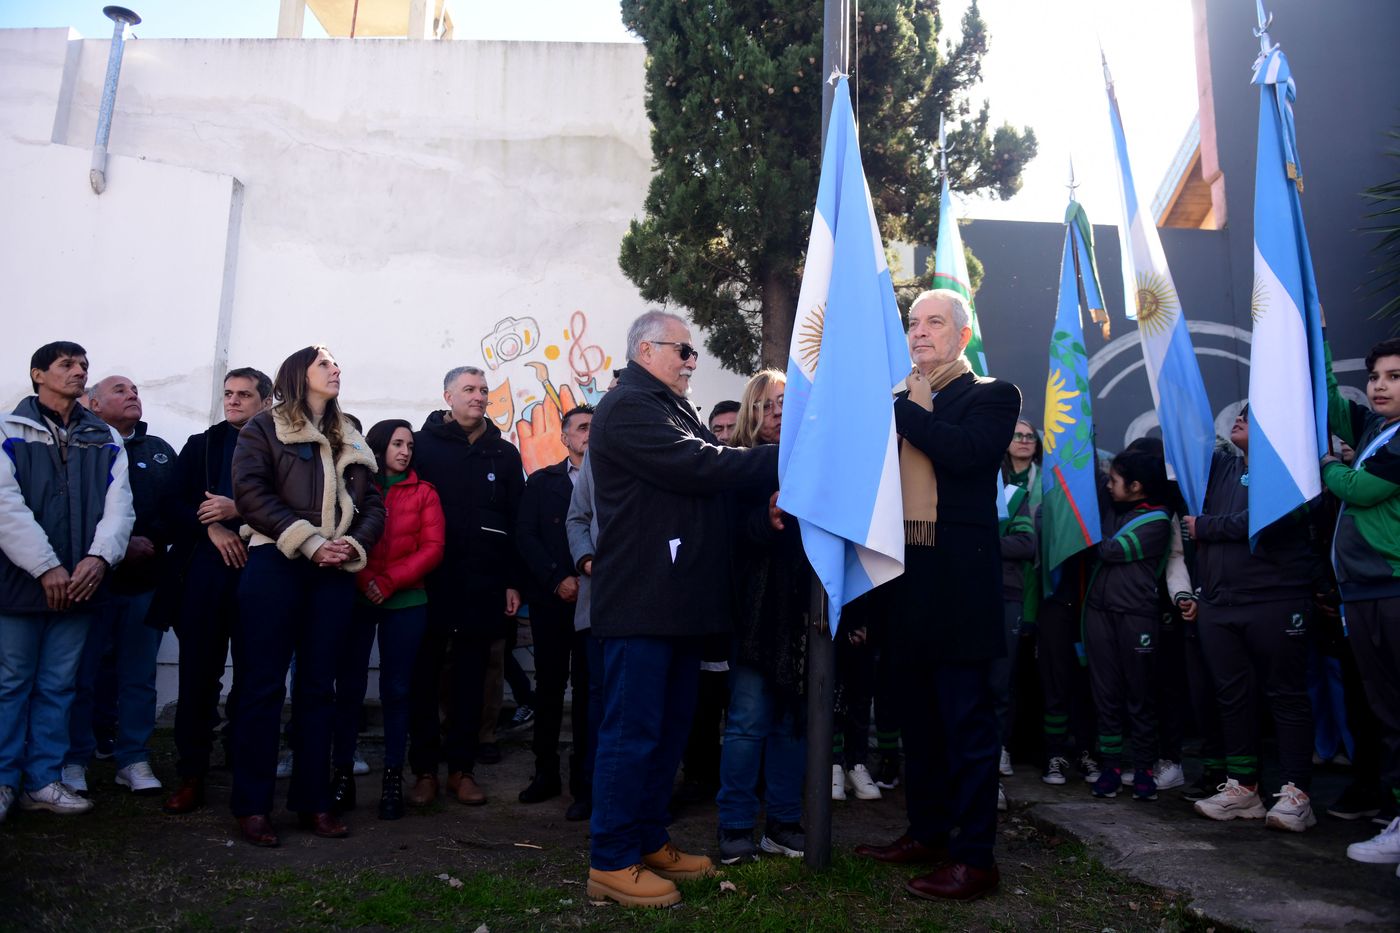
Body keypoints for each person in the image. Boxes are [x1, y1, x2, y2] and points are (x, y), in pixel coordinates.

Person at [585, 310, 778, 908]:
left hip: (675, 604)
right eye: (684, 351)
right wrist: (793, 456)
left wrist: (763, 510)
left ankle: (646, 838)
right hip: (643, 601)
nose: (693, 361)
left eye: (693, 353)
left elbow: (705, 490)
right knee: (631, 732)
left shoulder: (667, 405)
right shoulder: (628, 406)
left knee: (666, 732)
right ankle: (611, 859)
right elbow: (701, 467)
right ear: (646, 349)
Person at [856, 289, 1020, 902]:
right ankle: (927, 834)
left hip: (959, 593)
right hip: (903, 590)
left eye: (933, 322)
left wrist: (899, 412)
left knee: (967, 729)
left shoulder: (991, 395)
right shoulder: (898, 398)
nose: (919, 332)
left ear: (962, 332)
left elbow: (967, 455)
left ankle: (976, 859)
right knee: (918, 728)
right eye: (912, 323)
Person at [229, 345, 385, 846]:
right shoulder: (264, 427)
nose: (336, 368)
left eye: (338, 363)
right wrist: (311, 541)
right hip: (277, 563)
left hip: (334, 573)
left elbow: (374, 505)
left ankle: (313, 801)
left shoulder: (351, 435)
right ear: (299, 374)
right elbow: (252, 495)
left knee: (321, 689)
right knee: (262, 687)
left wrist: (353, 544)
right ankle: (252, 806)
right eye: (324, 363)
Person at [0, 341, 134, 821]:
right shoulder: (7, 429)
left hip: (81, 585)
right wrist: (45, 567)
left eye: (83, 366)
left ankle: (42, 781)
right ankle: (3, 780)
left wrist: (99, 560)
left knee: (59, 685)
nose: (79, 372)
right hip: (19, 585)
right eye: (67, 365)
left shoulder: (105, 437)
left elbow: (120, 508)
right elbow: (4, 507)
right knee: (11, 683)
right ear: (38, 374)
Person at [1185, 405, 1322, 830]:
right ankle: (1244, 789)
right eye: (1240, 413)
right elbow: (1183, 441)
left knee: (1285, 695)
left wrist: (1205, 527)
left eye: (1255, 413)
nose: (1239, 419)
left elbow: (1268, 520)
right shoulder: (1223, 468)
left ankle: (1297, 793)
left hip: (1275, 599)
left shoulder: (1294, 470)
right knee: (1232, 697)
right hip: (1221, 604)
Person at [156, 367, 272, 815]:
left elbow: (296, 505)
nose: (234, 401)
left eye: (244, 394)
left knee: (254, 678)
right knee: (199, 677)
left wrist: (239, 513)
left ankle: (243, 766)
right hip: (204, 577)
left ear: (265, 400)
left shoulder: (280, 446)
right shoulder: (203, 445)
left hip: (260, 576)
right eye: (228, 394)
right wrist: (214, 530)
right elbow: (170, 506)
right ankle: (192, 774)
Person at [407, 366, 523, 807]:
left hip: (484, 586)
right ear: (447, 395)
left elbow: (517, 521)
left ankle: (462, 771)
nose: (479, 397)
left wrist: (514, 581)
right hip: (429, 584)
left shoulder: (503, 453)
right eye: (470, 390)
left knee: (472, 682)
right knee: (425, 678)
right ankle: (424, 772)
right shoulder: (422, 447)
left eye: (483, 390)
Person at [63, 375, 177, 798]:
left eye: (135, 390)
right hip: (90, 582)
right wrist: (117, 546)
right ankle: (75, 758)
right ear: (92, 405)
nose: (132, 395)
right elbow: (70, 508)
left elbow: (177, 506)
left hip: (144, 585)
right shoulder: (80, 448)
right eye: (119, 390)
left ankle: (133, 758)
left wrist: (153, 541)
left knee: (138, 675)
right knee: (81, 674)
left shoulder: (160, 451)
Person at [327, 419, 444, 820]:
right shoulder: (356, 488)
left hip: (406, 600)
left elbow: (432, 547)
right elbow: (339, 534)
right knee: (350, 689)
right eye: (397, 443)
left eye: (410, 445)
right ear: (378, 447)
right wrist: (366, 579)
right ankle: (342, 776)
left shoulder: (424, 492)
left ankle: (392, 778)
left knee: (398, 690)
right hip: (357, 597)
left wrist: (390, 581)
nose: (405, 451)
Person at [716, 370, 809, 864]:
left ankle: (784, 822)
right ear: (751, 412)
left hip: (802, 615)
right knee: (748, 722)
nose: (776, 414)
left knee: (793, 723)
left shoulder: (813, 463)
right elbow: (727, 537)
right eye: (767, 406)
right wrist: (764, 519)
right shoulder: (733, 466)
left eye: (784, 405)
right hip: (752, 616)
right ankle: (734, 827)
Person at [1321, 338, 1400, 872]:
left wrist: (1327, 465)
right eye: (1375, 376)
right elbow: (1327, 402)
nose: (1379, 386)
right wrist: (1316, 334)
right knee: (1389, 715)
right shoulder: (1375, 429)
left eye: (1394, 377)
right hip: (1363, 594)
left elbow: (1362, 489)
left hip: (1392, 590)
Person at [514, 404, 594, 810]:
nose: (588, 434)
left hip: (595, 602)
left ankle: (585, 782)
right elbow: (525, 535)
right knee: (548, 688)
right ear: (564, 437)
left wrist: (586, 581)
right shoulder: (543, 482)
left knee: (588, 692)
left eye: (593, 428)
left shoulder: (613, 482)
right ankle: (544, 771)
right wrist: (556, 579)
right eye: (581, 428)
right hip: (551, 601)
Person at [1083, 446, 1172, 802]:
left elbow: (1109, 551)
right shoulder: (1112, 507)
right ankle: (1111, 769)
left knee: (1140, 697)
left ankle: (1145, 770)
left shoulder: (1158, 519)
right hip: (1099, 614)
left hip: (1137, 617)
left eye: (1116, 480)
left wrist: (1088, 538)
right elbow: (1090, 483)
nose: (1109, 486)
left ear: (1136, 486)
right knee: (1106, 696)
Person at [995, 420, 1041, 795]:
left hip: (1008, 595)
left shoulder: (1013, 496)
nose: (1024, 442)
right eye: (1017, 435)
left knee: (1002, 681)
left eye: (1029, 436)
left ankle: (1000, 749)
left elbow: (1026, 545)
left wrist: (980, 545)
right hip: (964, 598)